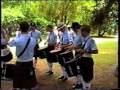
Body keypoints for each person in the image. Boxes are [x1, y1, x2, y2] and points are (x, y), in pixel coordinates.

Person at [8, 21, 38, 90]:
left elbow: (9, 44)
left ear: (20, 28)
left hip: (20, 63)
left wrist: (9, 34)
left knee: (19, 83)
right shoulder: (33, 40)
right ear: (28, 29)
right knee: (29, 81)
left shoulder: (17, 40)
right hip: (30, 62)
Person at [76, 25, 98, 89]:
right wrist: (80, 52)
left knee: (88, 77)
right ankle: (84, 87)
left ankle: (87, 87)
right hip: (83, 59)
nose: (81, 33)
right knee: (83, 75)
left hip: (88, 60)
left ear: (86, 31)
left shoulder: (91, 40)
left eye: (82, 31)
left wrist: (85, 51)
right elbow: (83, 49)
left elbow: (96, 51)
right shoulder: (84, 39)